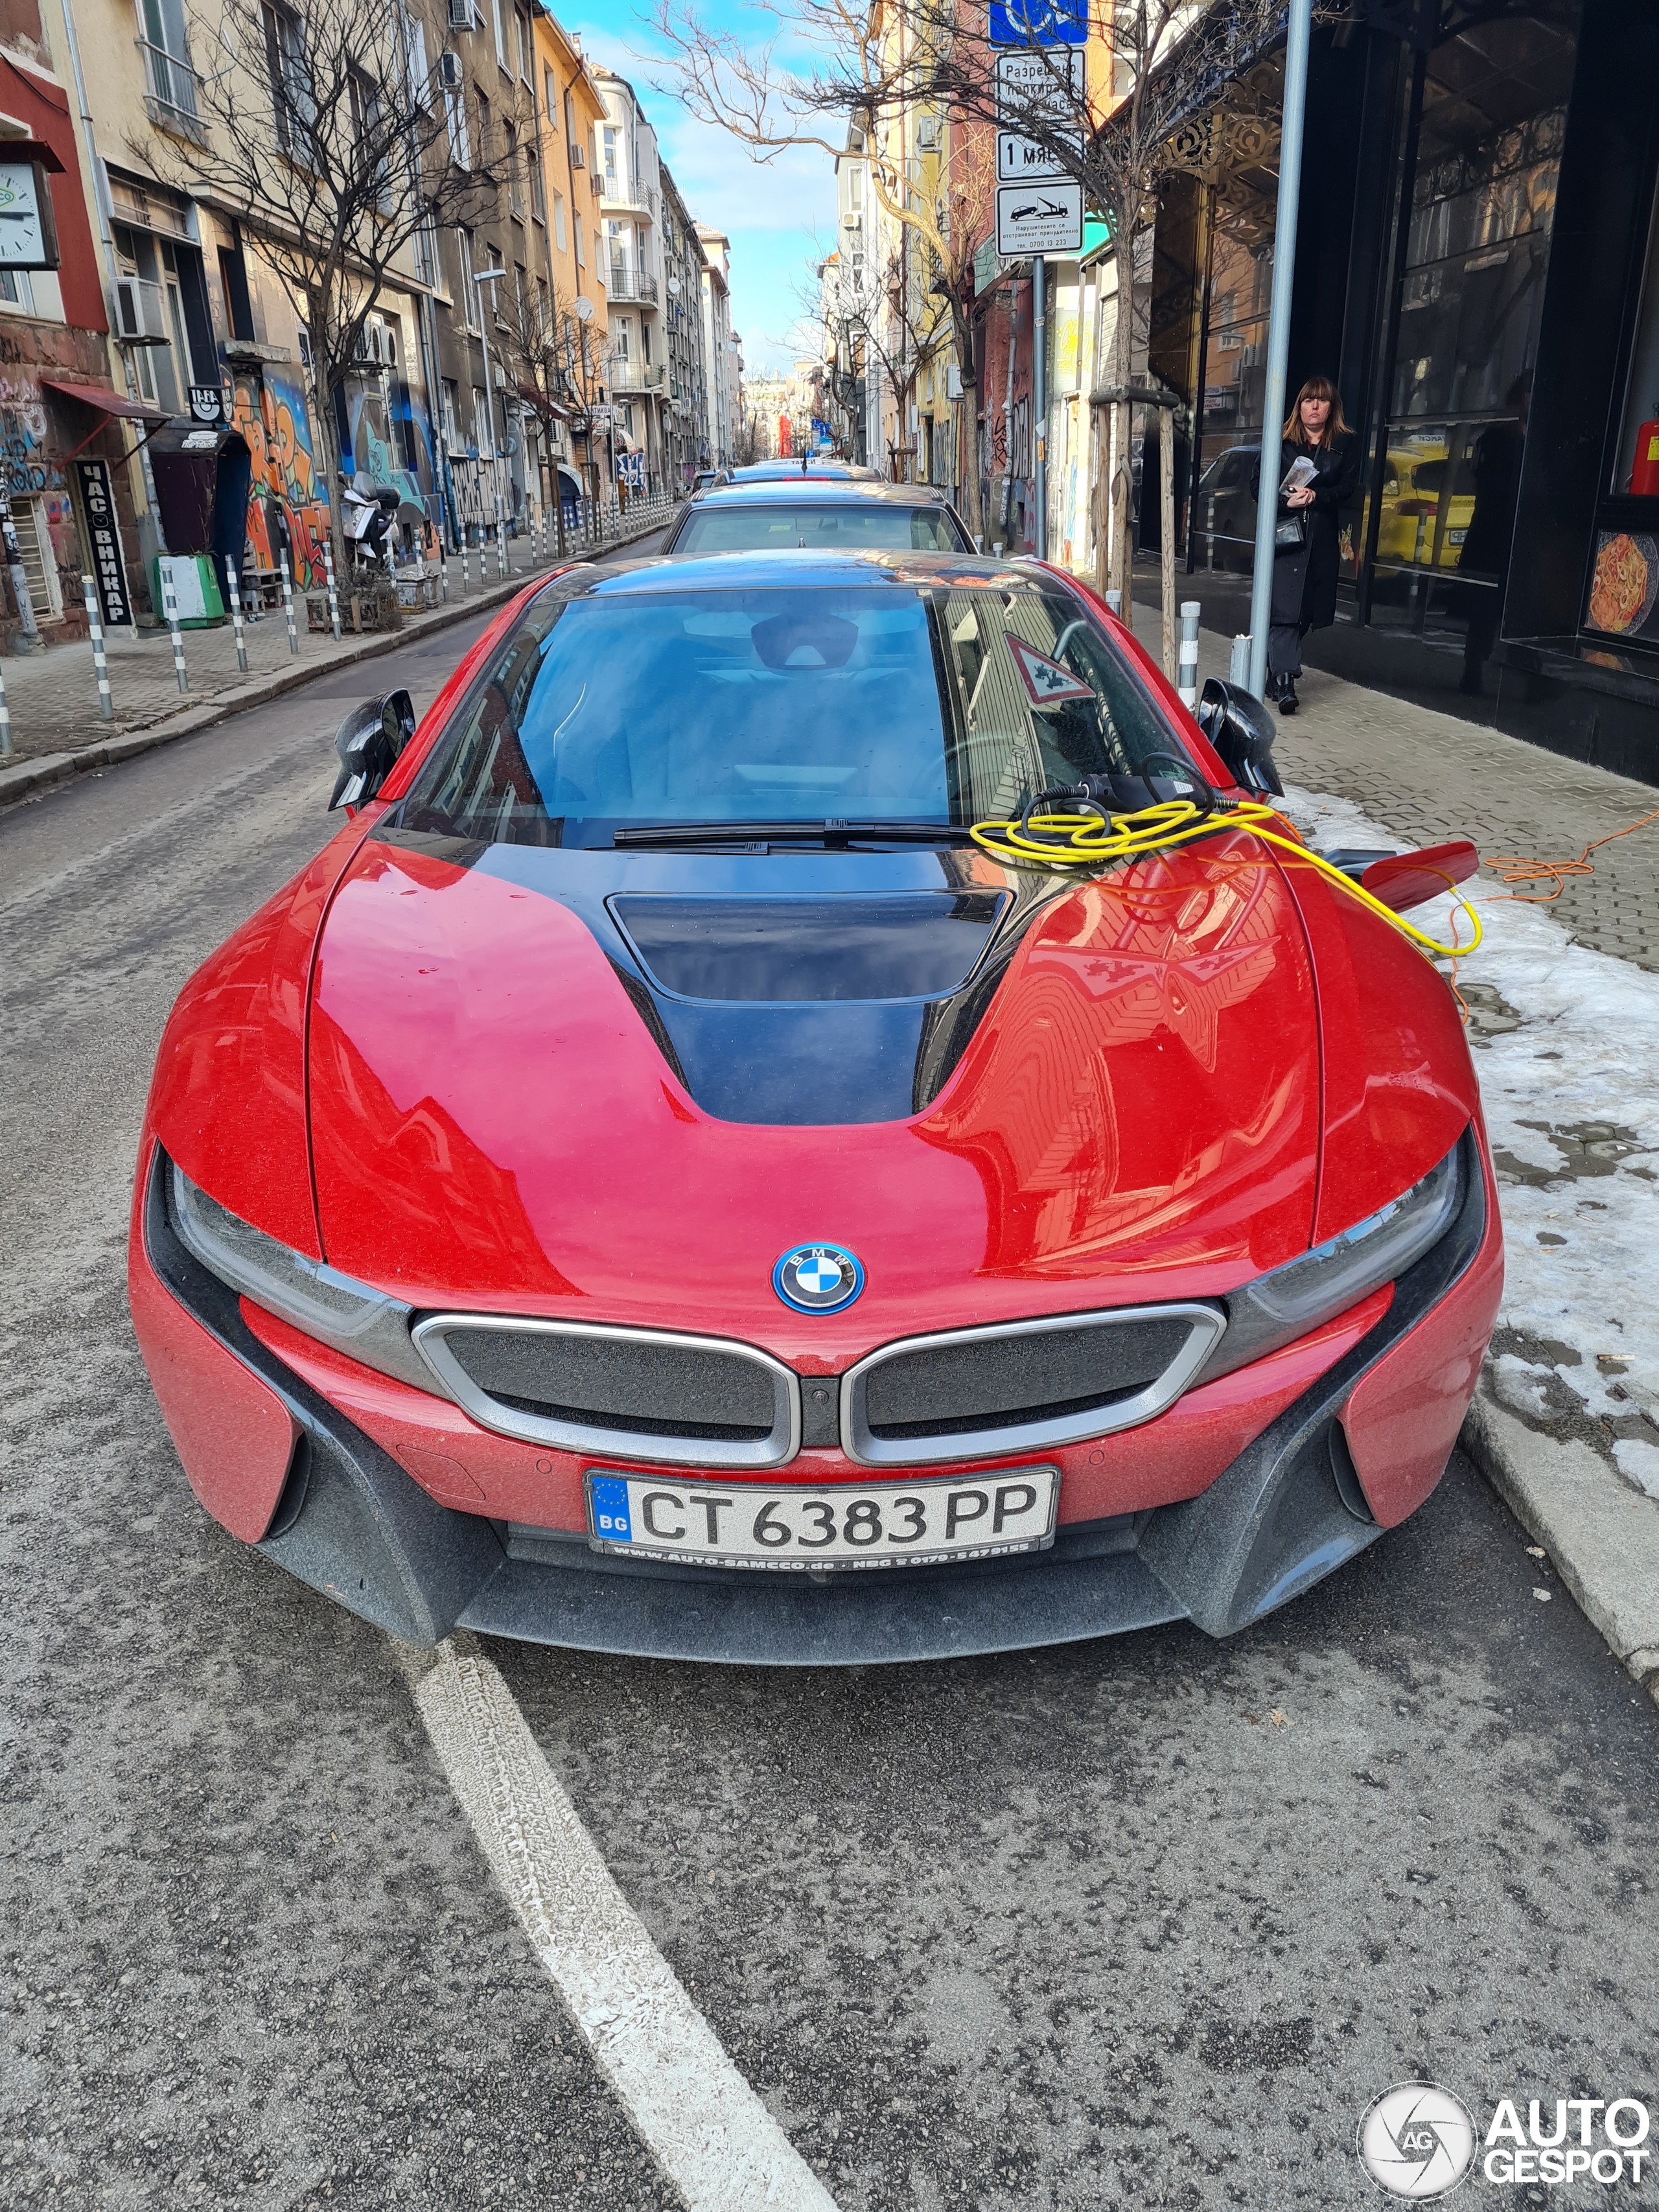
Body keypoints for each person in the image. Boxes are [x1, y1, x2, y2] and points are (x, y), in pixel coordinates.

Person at [1251, 377, 1360, 714]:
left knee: (1306, 612)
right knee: (1284, 611)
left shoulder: (1345, 445)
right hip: (1286, 537)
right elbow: (1257, 487)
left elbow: (1348, 490)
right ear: (1299, 406)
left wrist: (1316, 496)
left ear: (1331, 407)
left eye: (1321, 401)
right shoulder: (1280, 442)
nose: (1314, 406)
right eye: (1308, 400)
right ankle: (1285, 682)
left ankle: (1275, 670)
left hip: (1321, 540)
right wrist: (1287, 503)